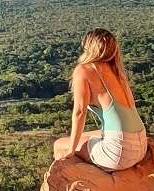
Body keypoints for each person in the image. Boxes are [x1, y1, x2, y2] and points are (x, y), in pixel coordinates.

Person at [53, 28, 147, 171]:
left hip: (119, 154)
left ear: (89, 48)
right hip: (141, 147)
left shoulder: (84, 70)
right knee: (89, 135)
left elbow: (79, 112)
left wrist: (71, 150)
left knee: (59, 144)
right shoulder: (117, 70)